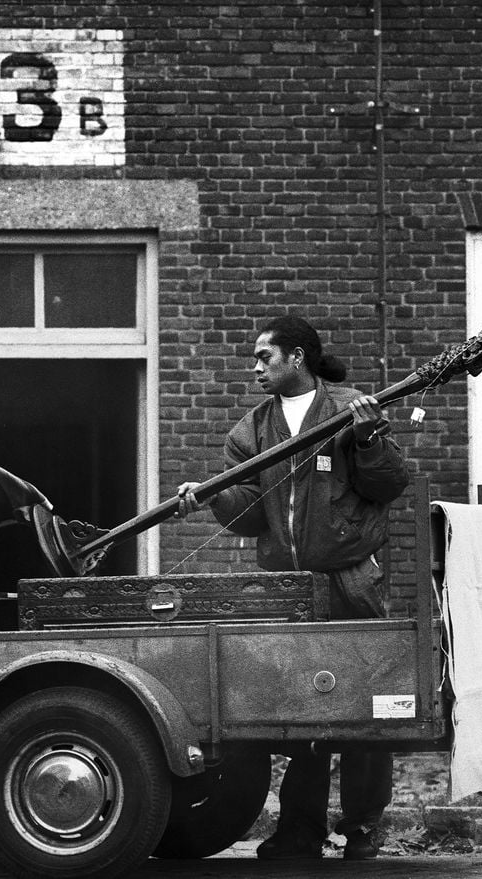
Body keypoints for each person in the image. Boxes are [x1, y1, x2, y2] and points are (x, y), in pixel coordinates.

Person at [176, 315, 410, 862]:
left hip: (353, 583)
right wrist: (211, 496)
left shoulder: (352, 408)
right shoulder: (250, 432)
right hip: (288, 591)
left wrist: (372, 436)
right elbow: (251, 519)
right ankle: (299, 831)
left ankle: (362, 828)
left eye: (265, 357)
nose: (255, 367)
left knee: (365, 714)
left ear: (297, 357)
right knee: (300, 713)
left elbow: (390, 484)